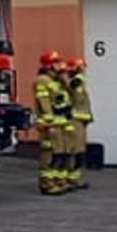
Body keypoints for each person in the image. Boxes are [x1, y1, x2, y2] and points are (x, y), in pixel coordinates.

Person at [33, 50, 71, 196]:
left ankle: (56, 181)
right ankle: (46, 184)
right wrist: (49, 124)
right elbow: (45, 104)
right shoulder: (42, 81)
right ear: (48, 65)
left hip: (59, 124)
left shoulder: (56, 81)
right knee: (48, 156)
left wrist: (63, 78)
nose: (59, 65)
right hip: (50, 125)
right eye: (56, 62)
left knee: (59, 155)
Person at [63, 57, 93, 191]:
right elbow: (76, 100)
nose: (83, 70)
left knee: (78, 152)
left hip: (79, 122)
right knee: (73, 151)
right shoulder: (75, 82)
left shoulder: (76, 82)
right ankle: (69, 180)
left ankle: (74, 179)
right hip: (74, 122)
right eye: (81, 68)